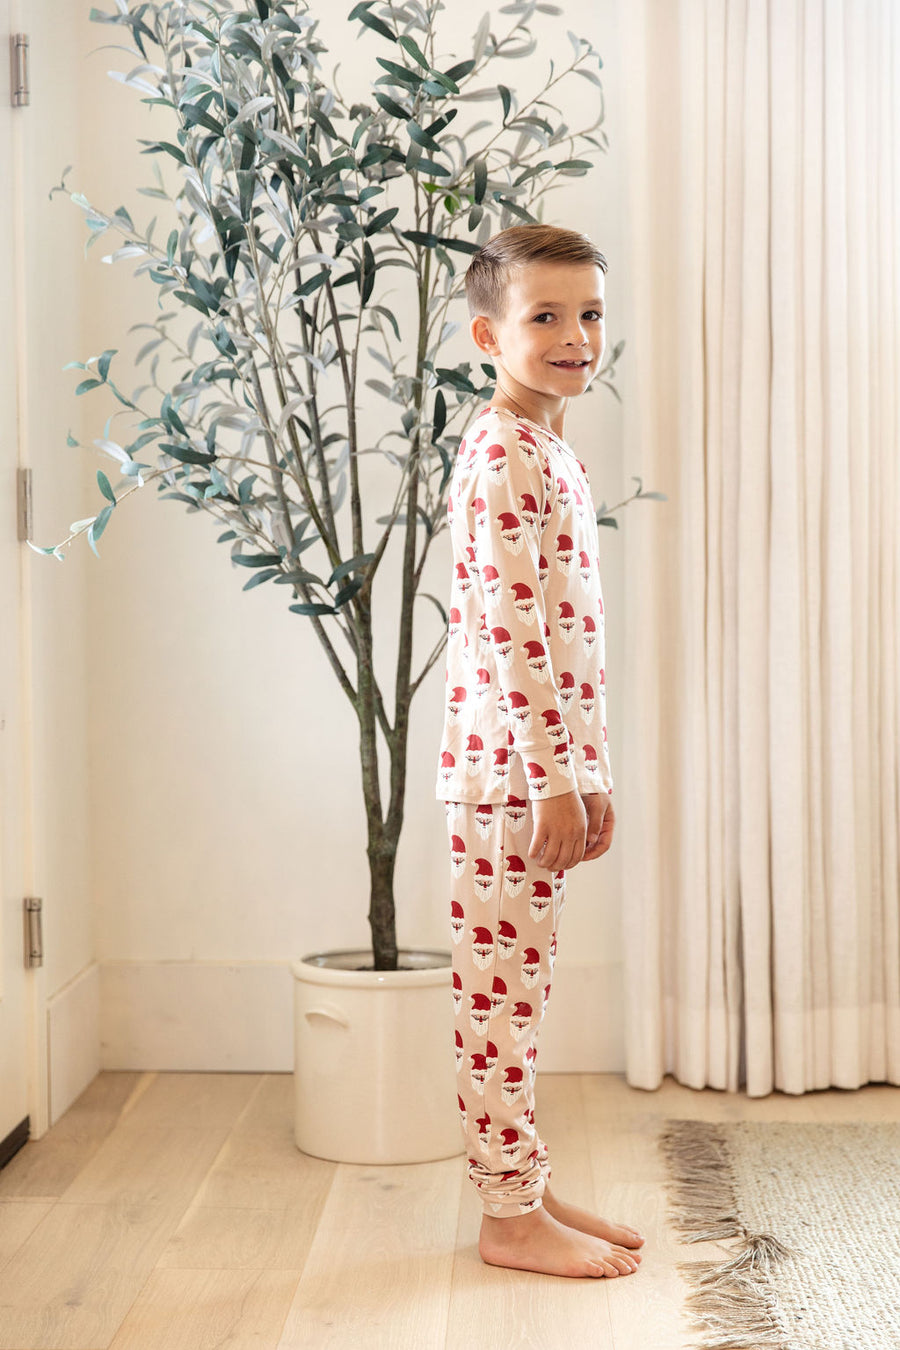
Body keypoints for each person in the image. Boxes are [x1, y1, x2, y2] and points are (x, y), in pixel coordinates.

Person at [434, 223, 645, 1279]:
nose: (576, 336)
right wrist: (556, 782)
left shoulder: (545, 448)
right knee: (499, 1006)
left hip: (539, 771)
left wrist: (588, 775)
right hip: (507, 778)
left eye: (590, 314)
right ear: (489, 336)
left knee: (521, 995)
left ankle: (526, 1184)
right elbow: (514, 640)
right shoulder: (501, 456)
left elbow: (567, 640)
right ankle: (507, 1217)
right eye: (547, 316)